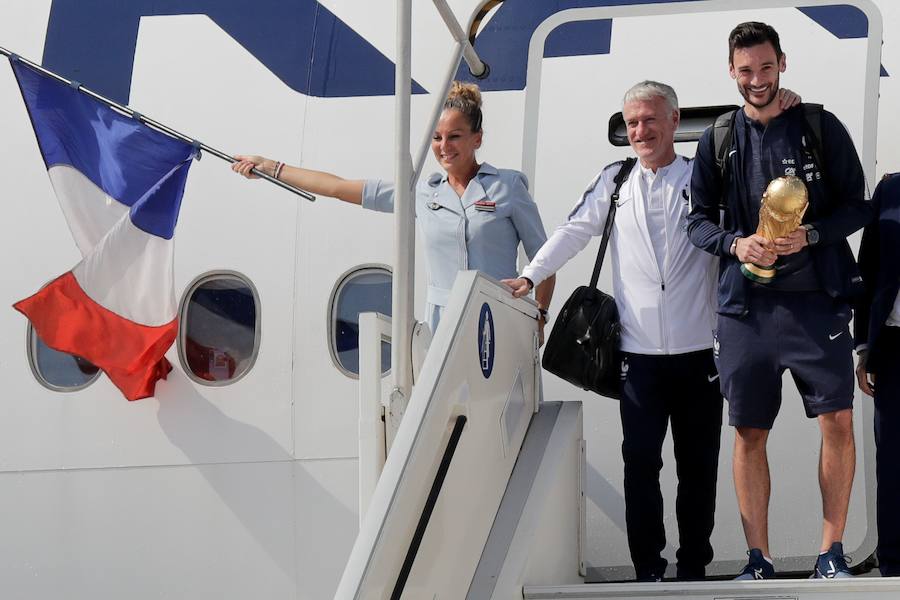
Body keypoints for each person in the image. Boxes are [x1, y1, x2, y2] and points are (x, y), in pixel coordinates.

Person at [505, 80, 797, 582]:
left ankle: (692, 569)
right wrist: (532, 274)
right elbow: (573, 231)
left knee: (697, 468)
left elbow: (749, 204)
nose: (641, 130)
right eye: (633, 122)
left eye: (650, 120)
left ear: (673, 122)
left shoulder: (701, 178)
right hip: (636, 356)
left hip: (700, 351)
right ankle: (647, 569)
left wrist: (779, 108)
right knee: (640, 464)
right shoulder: (616, 182)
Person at [687, 22, 871, 580]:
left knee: (837, 422)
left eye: (766, 67)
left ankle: (831, 554)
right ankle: (758, 560)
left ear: (782, 63)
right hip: (746, 310)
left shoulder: (817, 125)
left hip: (818, 305)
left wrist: (810, 235)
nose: (757, 79)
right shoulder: (719, 138)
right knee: (748, 432)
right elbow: (695, 221)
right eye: (746, 70)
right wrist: (736, 242)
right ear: (732, 72)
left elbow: (856, 206)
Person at [232, 81, 555, 333]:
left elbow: (545, 259)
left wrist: (539, 315)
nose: (444, 147)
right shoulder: (422, 193)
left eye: (454, 136)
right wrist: (271, 166)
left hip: (501, 318)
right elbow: (337, 187)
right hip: (445, 325)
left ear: (477, 139)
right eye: (437, 137)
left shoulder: (508, 186)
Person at [855, 172, 900, 577]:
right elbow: (866, 270)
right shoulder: (891, 189)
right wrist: (864, 347)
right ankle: (894, 566)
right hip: (894, 347)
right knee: (892, 460)